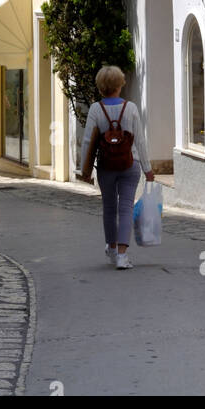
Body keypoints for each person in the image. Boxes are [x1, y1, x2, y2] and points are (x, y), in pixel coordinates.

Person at [78, 65, 154, 269]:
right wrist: (148, 168)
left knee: (109, 208)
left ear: (101, 87)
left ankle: (111, 248)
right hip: (130, 164)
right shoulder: (131, 108)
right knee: (126, 207)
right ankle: (122, 255)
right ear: (120, 85)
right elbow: (141, 142)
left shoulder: (95, 109)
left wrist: (84, 169)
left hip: (106, 166)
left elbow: (87, 141)